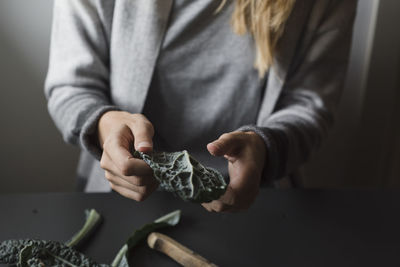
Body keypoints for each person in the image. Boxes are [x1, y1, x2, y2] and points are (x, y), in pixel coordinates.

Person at [45, 0, 357, 212]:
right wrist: (105, 126)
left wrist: (265, 146)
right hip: (121, 198)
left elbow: (309, 105)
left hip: (258, 203)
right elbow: (71, 86)